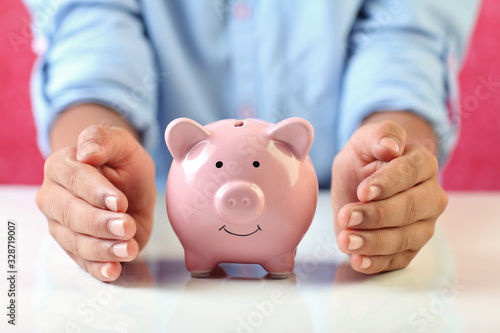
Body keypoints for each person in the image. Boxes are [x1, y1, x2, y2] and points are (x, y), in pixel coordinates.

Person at [25, 0, 479, 281]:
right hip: (157, 203)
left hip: (338, 208)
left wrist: (387, 154)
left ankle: (279, 257)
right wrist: (98, 158)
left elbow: (404, 37)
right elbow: (91, 32)